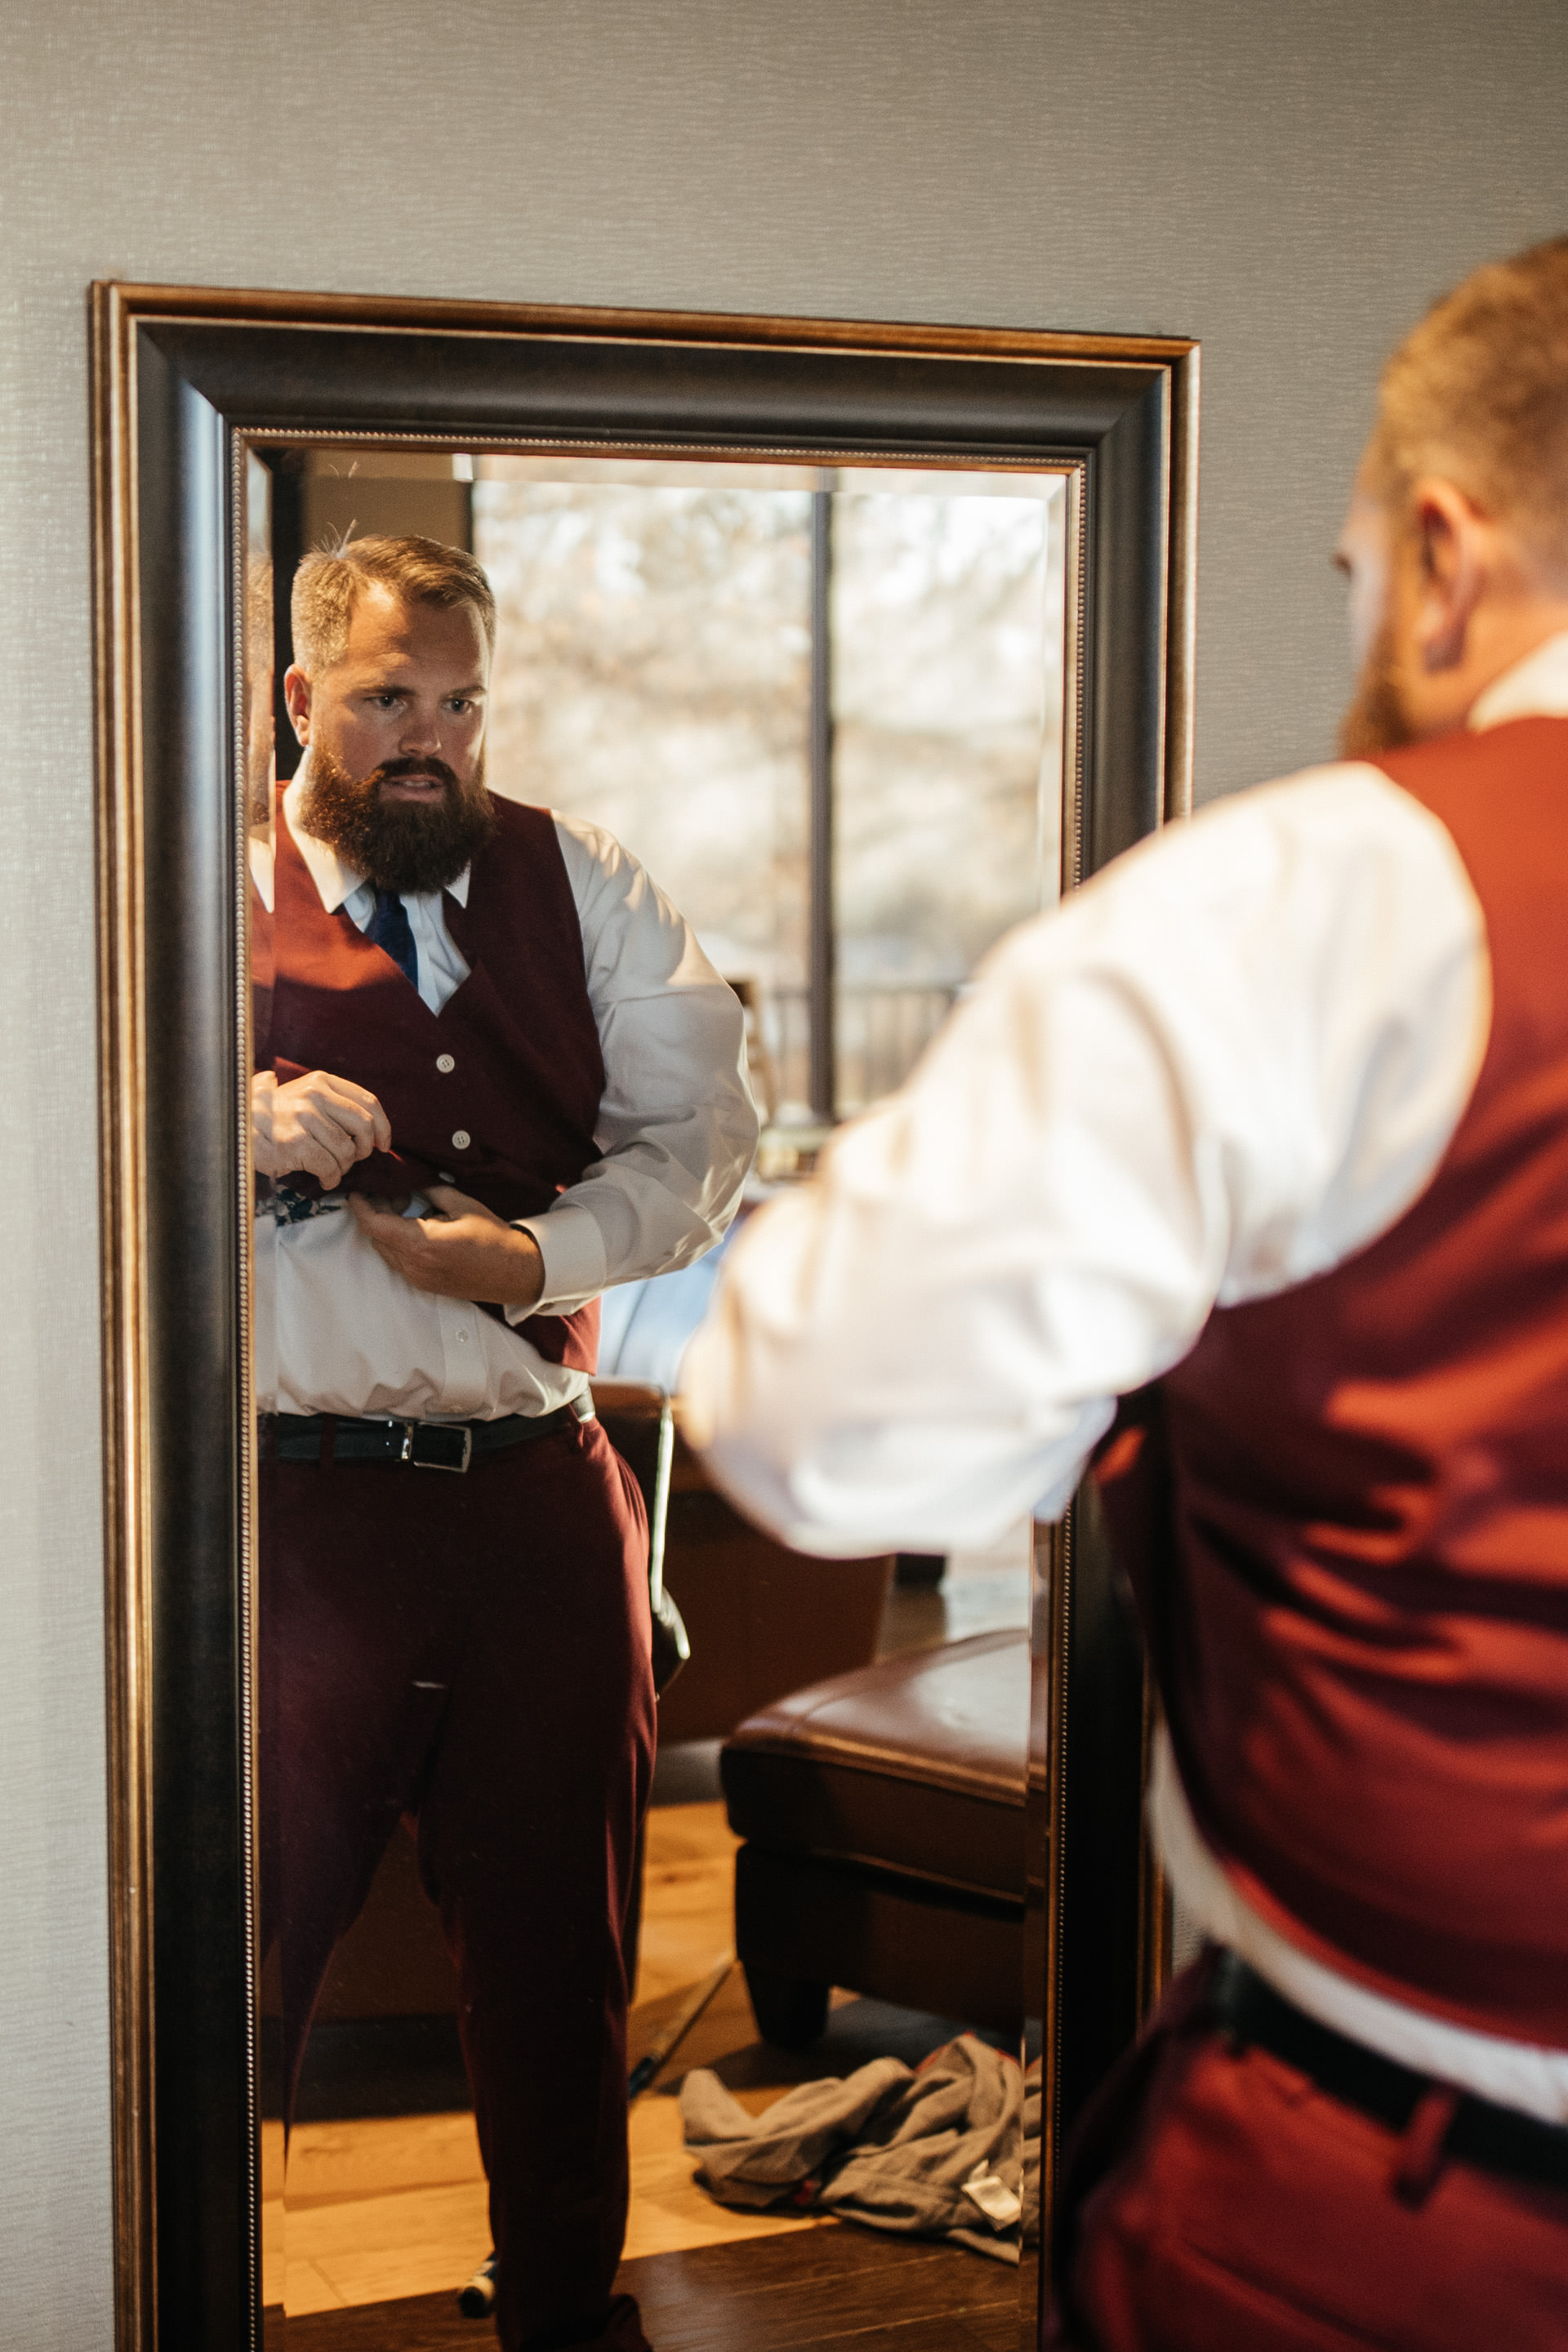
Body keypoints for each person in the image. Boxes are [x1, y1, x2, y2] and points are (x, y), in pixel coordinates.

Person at [681, 235, 1568, 2348]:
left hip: (1408, 2232)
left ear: (1443, 557)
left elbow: (811, 1415)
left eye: (1349, 580)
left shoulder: (1312, 908)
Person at [251, 532, 758, 2352]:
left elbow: (705, 1139)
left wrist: (534, 1257)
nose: (430, 743)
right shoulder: (184, 880)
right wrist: (223, 1118)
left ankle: (563, 2315)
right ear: (304, 697)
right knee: (242, 1948)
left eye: (460, 705)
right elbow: (61, 1125)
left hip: (545, 1501)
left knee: (567, 1959)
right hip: (289, 1521)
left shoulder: (585, 878)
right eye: (390, 698)